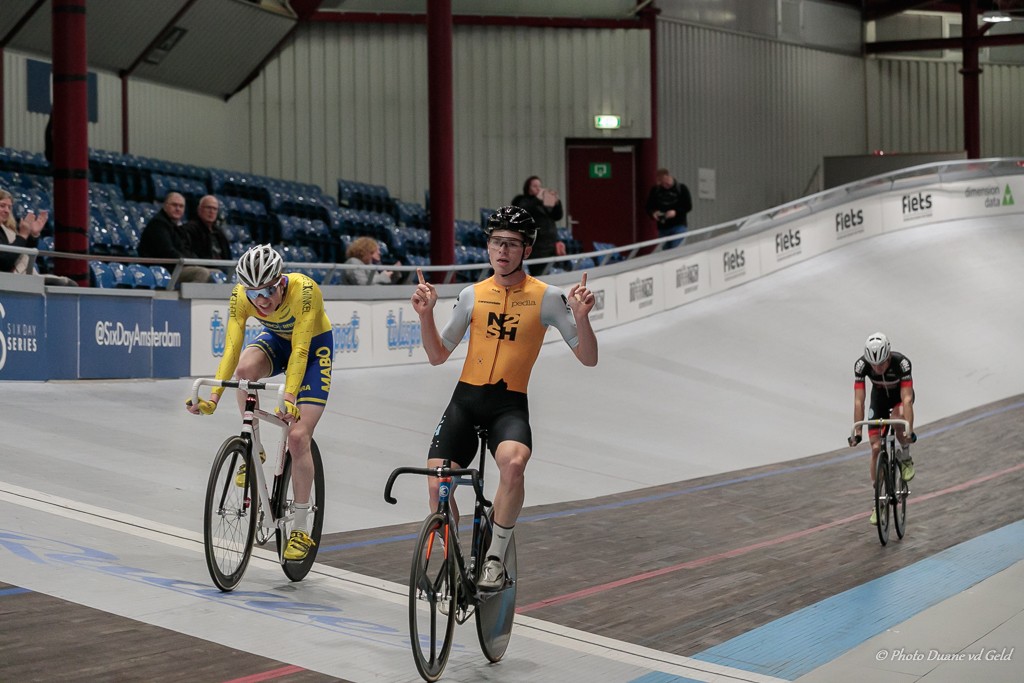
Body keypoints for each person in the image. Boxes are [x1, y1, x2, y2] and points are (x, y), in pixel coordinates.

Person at [410, 206, 598, 590]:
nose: (502, 251)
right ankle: (453, 561)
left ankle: (494, 555)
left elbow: (588, 357)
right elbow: (436, 355)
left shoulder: (548, 297)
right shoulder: (471, 295)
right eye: (496, 242)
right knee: (436, 485)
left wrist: (581, 317)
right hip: (465, 401)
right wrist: (425, 315)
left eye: (511, 244)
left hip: (508, 405)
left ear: (526, 250)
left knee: (513, 466)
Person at [186, 244, 333, 560]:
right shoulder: (240, 296)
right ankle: (256, 448)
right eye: (255, 294)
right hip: (278, 342)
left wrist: (290, 397)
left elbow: (302, 351)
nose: (262, 300)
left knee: (297, 436)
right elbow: (231, 349)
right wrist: (213, 398)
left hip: (312, 350)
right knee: (244, 371)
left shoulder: (305, 290)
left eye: (268, 290)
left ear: (281, 282)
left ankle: (301, 529)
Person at [848, 332, 916, 526]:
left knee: (897, 418)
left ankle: (905, 458)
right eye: (874, 365)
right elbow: (859, 400)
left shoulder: (902, 363)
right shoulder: (861, 366)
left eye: (882, 364)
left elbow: (907, 399)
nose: (877, 368)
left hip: (899, 399)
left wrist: (908, 430)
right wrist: (858, 432)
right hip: (878, 400)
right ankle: (878, 501)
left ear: (888, 357)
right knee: (876, 447)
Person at [0, 189, 76, 286]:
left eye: (9, 207)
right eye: (2, 206)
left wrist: (33, 235)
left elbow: (23, 252)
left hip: (25, 276)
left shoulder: (8, 230)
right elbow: (5, 263)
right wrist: (23, 235)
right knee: (67, 284)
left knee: (70, 284)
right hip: (10, 280)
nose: (7, 210)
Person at [138, 192, 215, 283]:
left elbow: (185, 249)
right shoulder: (158, 224)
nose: (178, 209)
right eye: (174, 205)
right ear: (165, 206)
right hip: (163, 269)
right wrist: (191, 263)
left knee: (216, 273)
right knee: (201, 273)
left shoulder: (176, 226)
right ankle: (192, 297)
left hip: (176, 266)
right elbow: (168, 252)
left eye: (181, 206)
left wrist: (196, 262)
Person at [511, 176, 566, 275]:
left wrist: (557, 203)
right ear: (528, 188)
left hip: (550, 246)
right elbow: (523, 211)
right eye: (534, 186)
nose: (538, 189)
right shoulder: (522, 200)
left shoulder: (543, 203)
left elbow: (557, 216)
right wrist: (537, 199)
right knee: (539, 275)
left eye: (539, 186)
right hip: (537, 248)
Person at [645, 168, 692, 249]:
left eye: (666, 182)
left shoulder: (682, 189)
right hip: (663, 227)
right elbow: (649, 206)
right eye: (662, 184)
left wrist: (675, 212)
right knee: (665, 252)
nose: (665, 185)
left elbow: (688, 206)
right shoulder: (656, 190)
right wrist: (653, 213)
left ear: (669, 176)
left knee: (675, 250)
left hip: (678, 225)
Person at [185, 195, 231, 272]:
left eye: (214, 209)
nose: (211, 211)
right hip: (204, 268)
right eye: (208, 208)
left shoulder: (219, 233)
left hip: (223, 267)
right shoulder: (189, 229)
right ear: (199, 209)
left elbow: (228, 257)